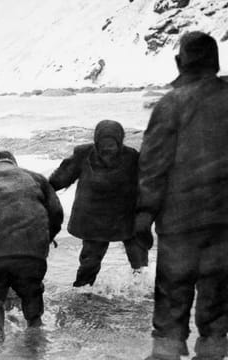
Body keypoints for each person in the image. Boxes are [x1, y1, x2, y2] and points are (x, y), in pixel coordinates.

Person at [137, 32, 228, 360]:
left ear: (181, 62)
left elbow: (152, 165)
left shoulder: (171, 104)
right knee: (217, 307)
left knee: (172, 302)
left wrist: (142, 215)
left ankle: (166, 355)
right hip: (223, 225)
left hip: (180, 224)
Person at [0, 151, 63, 356]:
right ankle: (35, 347)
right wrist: (45, 239)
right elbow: (56, 214)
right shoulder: (36, 178)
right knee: (32, 301)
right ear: (15, 165)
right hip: (30, 255)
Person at [49, 119, 147, 287]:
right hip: (94, 219)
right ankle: (82, 291)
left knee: (138, 259)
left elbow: (148, 183)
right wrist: (40, 192)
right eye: (103, 144)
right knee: (90, 262)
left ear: (120, 142)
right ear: (96, 142)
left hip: (124, 216)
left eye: (112, 144)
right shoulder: (83, 154)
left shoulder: (131, 157)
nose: (108, 149)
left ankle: (142, 289)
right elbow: (60, 179)